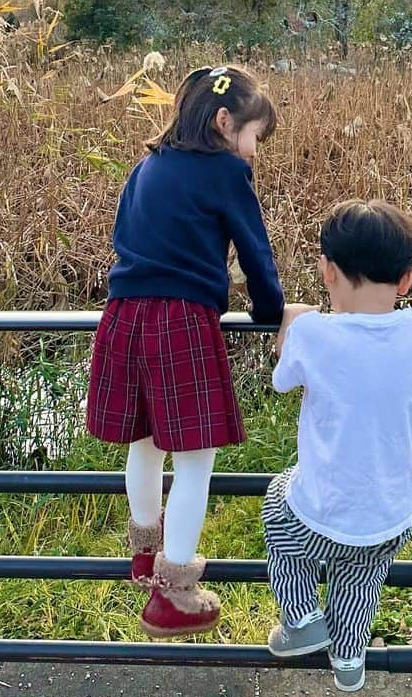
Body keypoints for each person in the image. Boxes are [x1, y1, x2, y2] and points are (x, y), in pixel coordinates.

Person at [87, 65, 284, 637]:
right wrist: (274, 314)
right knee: (196, 459)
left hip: (125, 316)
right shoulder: (224, 170)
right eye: (253, 136)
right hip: (180, 321)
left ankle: (145, 557)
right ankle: (174, 594)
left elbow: (124, 239)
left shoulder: (146, 165)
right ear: (225, 123)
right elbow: (255, 253)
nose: (253, 151)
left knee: (144, 444)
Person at [263, 200, 412, 691]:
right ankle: (349, 660)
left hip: (322, 512)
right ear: (406, 279)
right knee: (359, 578)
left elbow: (282, 381)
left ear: (327, 272)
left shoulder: (312, 332)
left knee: (277, 509)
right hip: (392, 515)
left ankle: (301, 618)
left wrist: (292, 321)